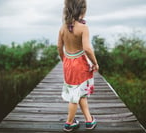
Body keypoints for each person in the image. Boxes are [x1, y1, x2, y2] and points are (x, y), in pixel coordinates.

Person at [57, 0, 99, 132]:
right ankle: (69, 123)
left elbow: (59, 46)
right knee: (75, 96)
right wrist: (95, 63)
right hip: (80, 63)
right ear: (82, 10)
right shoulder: (83, 27)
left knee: (79, 93)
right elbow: (87, 48)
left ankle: (89, 120)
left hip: (68, 62)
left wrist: (64, 59)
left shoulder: (63, 27)